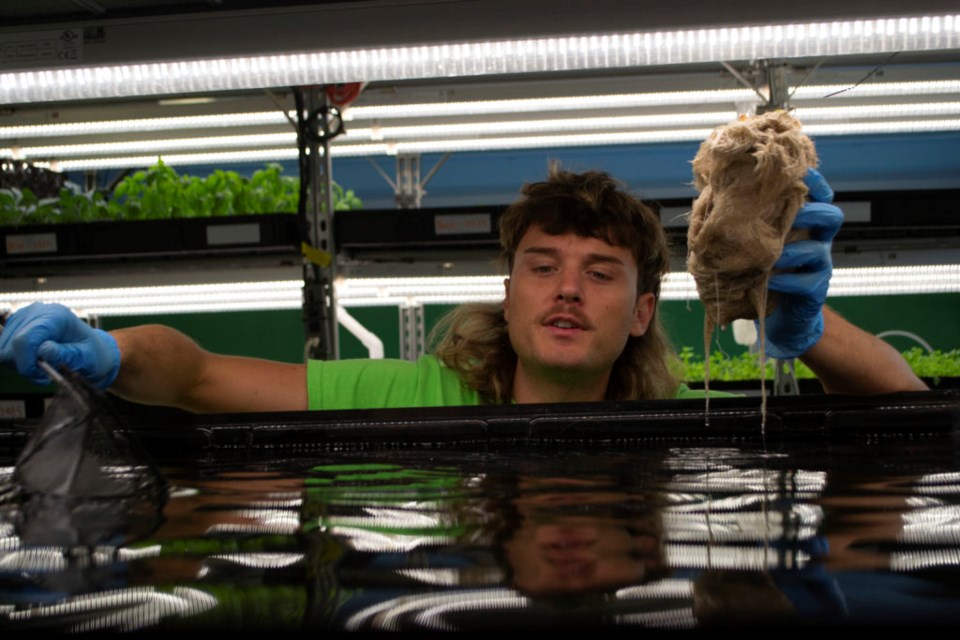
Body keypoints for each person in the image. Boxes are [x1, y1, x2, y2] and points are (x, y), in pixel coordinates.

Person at [0, 166, 927, 413]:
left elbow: (911, 414)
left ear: (643, 310)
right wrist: (112, 349)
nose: (568, 290)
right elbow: (197, 376)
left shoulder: (681, 419)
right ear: (510, 290)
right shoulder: (401, 394)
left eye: (602, 273)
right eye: (542, 266)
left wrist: (805, 332)